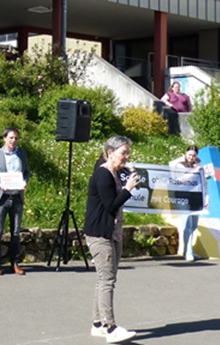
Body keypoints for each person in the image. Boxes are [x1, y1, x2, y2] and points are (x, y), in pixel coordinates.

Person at [84, 135, 140, 344]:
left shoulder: (115, 173)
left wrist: (128, 184)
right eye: (123, 153)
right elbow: (110, 205)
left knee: (105, 280)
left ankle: (97, 324)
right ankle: (111, 328)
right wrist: (127, 189)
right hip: (100, 234)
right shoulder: (103, 174)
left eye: (128, 153)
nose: (127, 157)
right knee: (107, 281)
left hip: (113, 233)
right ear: (110, 153)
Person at [0, 127, 31, 275]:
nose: (13, 141)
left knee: (16, 232)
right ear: (4, 138)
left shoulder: (22, 154)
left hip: (17, 197)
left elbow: (26, 172)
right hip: (2, 197)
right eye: (11, 138)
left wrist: (24, 181)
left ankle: (15, 263)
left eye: (16, 138)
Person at [168, 145, 204, 261]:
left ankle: (188, 250)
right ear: (185, 154)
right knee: (187, 225)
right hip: (182, 197)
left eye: (194, 155)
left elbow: (204, 183)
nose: (191, 157)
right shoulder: (178, 165)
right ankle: (188, 252)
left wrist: (206, 198)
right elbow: (182, 180)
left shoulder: (198, 166)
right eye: (189, 155)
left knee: (193, 225)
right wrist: (194, 171)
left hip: (195, 198)